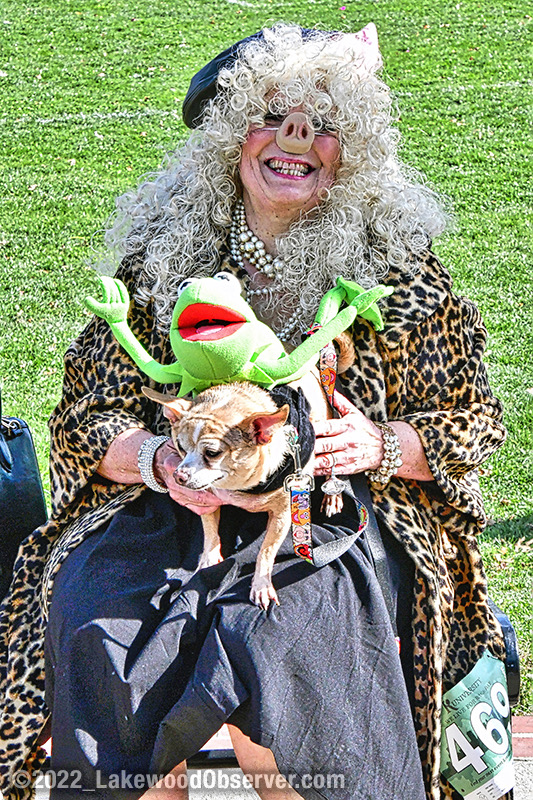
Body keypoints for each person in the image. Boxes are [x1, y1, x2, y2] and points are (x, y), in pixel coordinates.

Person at [0, 22, 509, 800]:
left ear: (354, 154)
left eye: (324, 124)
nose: (295, 137)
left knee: (288, 647)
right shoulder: (165, 257)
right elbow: (84, 414)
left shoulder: (399, 271)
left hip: (332, 517)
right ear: (231, 141)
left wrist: (378, 443)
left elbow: (473, 421)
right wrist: (157, 460)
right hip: (170, 507)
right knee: (102, 626)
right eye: (271, 116)